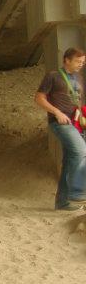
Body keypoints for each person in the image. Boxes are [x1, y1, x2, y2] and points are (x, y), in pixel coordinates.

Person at [34, 47, 86, 210]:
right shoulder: (53, 76)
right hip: (60, 123)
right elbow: (39, 98)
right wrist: (57, 112)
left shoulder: (79, 77)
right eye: (78, 61)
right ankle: (76, 193)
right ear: (66, 60)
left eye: (83, 62)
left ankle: (62, 202)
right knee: (80, 151)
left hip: (76, 122)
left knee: (69, 160)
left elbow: (78, 100)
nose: (81, 64)